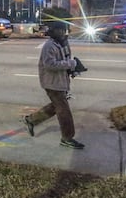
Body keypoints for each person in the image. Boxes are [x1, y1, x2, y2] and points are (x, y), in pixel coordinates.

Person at [23, 21, 85, 149]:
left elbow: (66, 60)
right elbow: (49, 64)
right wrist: (71, 64)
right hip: (52, 83)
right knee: (64, 112)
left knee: (56, 107)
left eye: (63, 30)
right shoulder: (49, 46)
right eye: (59, 30)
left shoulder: (63, 43)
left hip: (61, 81)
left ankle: (31, 120)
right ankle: (67, 138)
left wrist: (73, 69)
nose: (62, 32)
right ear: (53, 31)